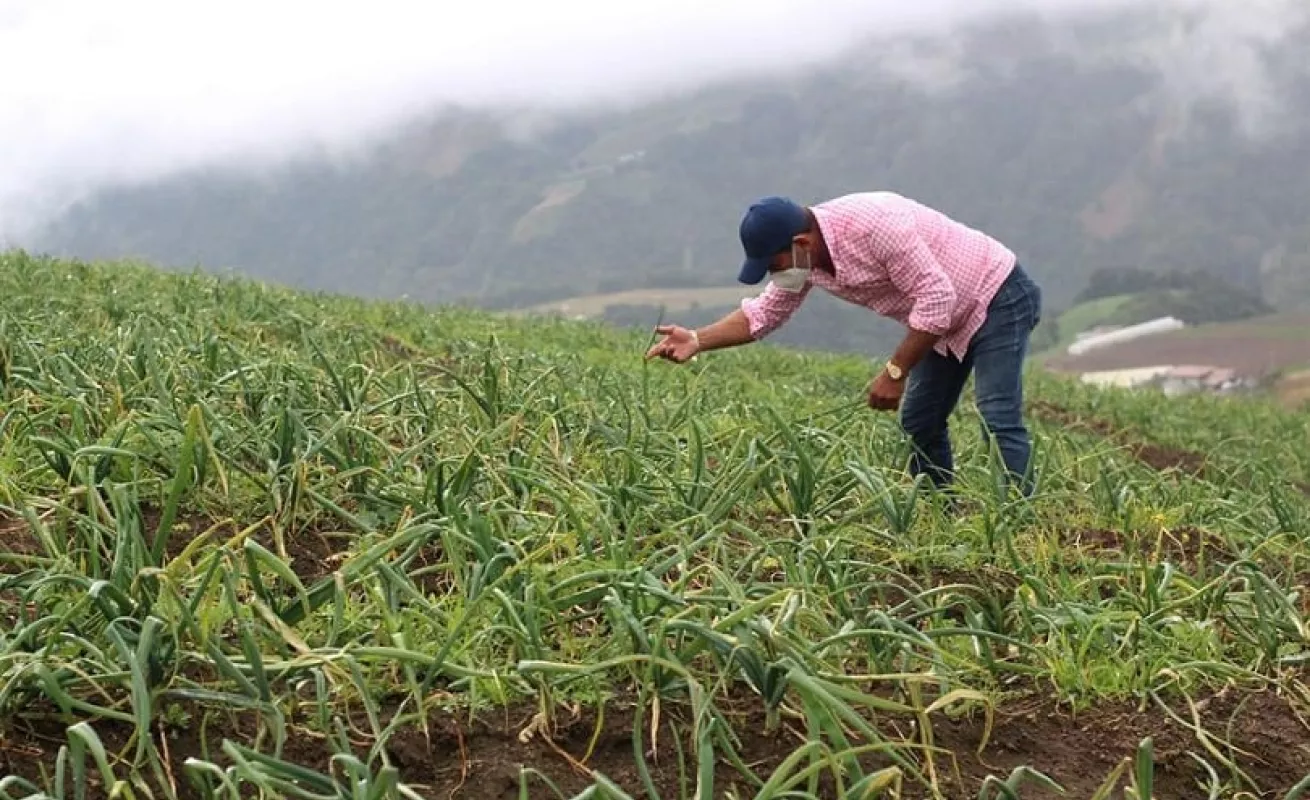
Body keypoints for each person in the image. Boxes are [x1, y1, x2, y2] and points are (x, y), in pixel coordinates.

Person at [645, 191, 1043, 496]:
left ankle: (1016, 523)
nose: (773, 273)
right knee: (919, 420)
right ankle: (941, 510)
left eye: (774, 264)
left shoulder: (877, 228)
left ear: (801, 242)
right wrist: (697, 339)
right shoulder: (804, 260)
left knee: (996, 414)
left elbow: (938, 299)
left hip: (996, 296)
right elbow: (764, 314)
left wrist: (894, 372)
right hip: (941, 320)